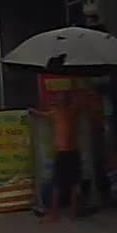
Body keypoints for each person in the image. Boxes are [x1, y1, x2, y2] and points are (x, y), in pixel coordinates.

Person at [32, 91, 82, 222]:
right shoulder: (70, 111)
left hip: (64, 153)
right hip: (71, 152)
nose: (57, 101)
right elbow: (40, 113)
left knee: (59, 183)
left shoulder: (59, 113)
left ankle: (56, 214)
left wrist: (32, 111)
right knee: (71, 184)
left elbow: (40, 114)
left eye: (59, 99)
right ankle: (71, 213)